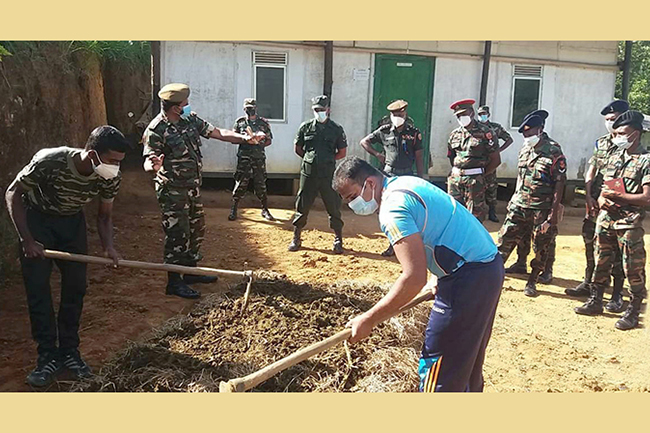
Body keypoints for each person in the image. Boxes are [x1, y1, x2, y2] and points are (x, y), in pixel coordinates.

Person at [333, 156, 504, 392]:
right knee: (466, 358)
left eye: (353, 197)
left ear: (370, 183)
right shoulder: (405, 183)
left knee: (440, 361)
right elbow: (443, 223)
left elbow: (413, 279)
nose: (353, 204)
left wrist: (368, 319)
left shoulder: (393, 209)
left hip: (467, 279)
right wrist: (439, 273)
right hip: (487, 267)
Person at [5, 126, 129, 387]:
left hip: (72, 225)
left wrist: (109, 247)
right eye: (112, 161)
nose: (115, 168)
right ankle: (47, 356)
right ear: (92, 155)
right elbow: (13, 193)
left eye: (119, 162)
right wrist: (27, 240)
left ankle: (70, 352)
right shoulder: (51, 161)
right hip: (38, 222)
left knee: (75, 288)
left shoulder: (108, 177)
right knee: (38, 290)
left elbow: (104, 215)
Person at [142, 83, 264, 299]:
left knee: (197, 229)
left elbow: (218, 133)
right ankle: (174, 282)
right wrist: (153, 166)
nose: (188, 106)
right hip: (172, 191)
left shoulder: (190, 119)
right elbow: (148, 159)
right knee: (177, 235)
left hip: (192, 188)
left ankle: (190, 272)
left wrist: (245, 138)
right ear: (175, 108)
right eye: (185, 103)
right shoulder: (156, 129)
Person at [574, 110, 648, 330]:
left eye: (622, 133)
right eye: (615, 133)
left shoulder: (646, 161)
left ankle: (633, 311)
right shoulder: (615, 156)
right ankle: (596, 301)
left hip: (629, 223)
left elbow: (647, 197)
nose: (617, 137)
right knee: (601, 261)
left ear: (636, 134)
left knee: (632, 267)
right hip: (606, 219)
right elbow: (607, 184)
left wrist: (620, 198)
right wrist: (601, 199)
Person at [565, 100, 627, 313]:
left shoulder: (629, 145)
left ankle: (617, 293)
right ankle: (589, 282)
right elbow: (591, 170)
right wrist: (589, 195)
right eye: (607, 120)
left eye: (614, 119)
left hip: (617, 206)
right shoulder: (601, 143)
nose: (610, 123)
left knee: (616, 249)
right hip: (596, 203)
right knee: (590, 240)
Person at [496, 113, 566, 297]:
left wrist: (553, 213)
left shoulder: (553, 151)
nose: (527, 138)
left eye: (530, 134)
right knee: (505, 237)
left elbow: (560, 182)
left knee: (541, 245)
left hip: (541, 208)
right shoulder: (525, 149)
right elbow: (521, 176)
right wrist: (513, 197)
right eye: (524, 135)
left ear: (540, 129)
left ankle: (533, 280)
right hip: (520, 204)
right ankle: (494, 274)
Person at [360, 99, 424, 256]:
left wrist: (420, 177)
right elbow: (364, 142)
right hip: (389, 174)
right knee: (388, 209)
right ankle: (392, 245)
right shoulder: (384, 131)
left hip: (407, 174)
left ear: (405, 114)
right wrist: (377, 154)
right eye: (395, 114)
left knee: (408, 209)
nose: (397, 117)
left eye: (400, 114)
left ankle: (411, 244)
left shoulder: (413, 133)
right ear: (390, 115)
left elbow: (419, 156)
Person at [288, 95, 347, 254]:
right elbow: (298, 148)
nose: (319, 112)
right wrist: (310, 159)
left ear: (328, 109)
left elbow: (342, 152)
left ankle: (338, 239)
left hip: (328, 173)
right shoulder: (305, 127)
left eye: (322, 109)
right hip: (309, 172)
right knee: (303, 204)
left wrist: (327, 160)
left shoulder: (336, 129)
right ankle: (296, 237)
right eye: (316, 110)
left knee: (333, 205)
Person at [447, 99, 500, 222]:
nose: (461, 117)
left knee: (475, 216)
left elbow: (495, 160)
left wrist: (480, 175)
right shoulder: (454, 134)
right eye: (459, 115)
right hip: (455, 180)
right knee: (454, 213)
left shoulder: (486, 132)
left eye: (464, 114)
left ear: (471, 113)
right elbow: (451, 156)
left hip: (475, 180)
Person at [228, 98, 275, 222]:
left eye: (252, 108)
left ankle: (265, 209)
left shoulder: (263, 123)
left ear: (256, 108)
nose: (250, 110)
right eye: (248, 108)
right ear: (244, 109)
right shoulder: (240, 122)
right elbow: (233, 139)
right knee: (240, 183)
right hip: (244, 158)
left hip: (258, 158)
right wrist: (244, 138)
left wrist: (259, 142)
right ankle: (233, 209)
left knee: (260, 183)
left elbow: (269, 140)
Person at [477, 105, 513, 222]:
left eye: (484, 114)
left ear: (488, 115)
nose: (482, 116)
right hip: (477, 162)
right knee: (477, 186)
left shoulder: (495, 128)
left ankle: (492, 212)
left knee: (491, 186)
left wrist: (499, 150)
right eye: (480, 114)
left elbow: (509, 139)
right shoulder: (474, 128)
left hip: (491, 162)